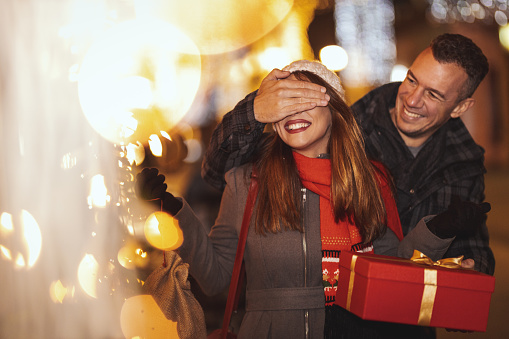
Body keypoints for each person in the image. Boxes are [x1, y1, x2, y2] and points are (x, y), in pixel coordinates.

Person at [136, 60, 455, 338]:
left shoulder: (368, 179)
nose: (293, 112)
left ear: (335, 110)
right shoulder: (246, 180)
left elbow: (390, 272)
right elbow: (217, 277)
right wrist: (173, 209)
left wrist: (436, 231)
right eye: (284, 103)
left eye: (305, 99)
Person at [201, 33, 494, 277]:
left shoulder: (464, 163)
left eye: (433, 94)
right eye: (412, 80)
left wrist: (474, 269)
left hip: (410, 320)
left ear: (459, 108)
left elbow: (471, 243)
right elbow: (220, 172)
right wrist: (254, 110)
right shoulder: (347, 126)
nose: (413, 99)